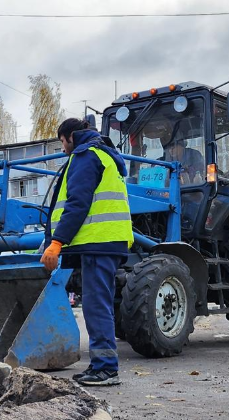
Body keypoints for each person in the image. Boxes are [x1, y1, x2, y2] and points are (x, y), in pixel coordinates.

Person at [42, 118, 133, 387]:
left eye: (62, 141)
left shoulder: (85, 156)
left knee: (96, 306)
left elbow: (77, 203)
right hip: (103, 243)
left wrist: (57, 242)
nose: (62, 148)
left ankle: (106, 368)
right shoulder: (103, 155)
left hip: (99, 243)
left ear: (71, 136)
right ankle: (100, 365)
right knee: (97, 305)